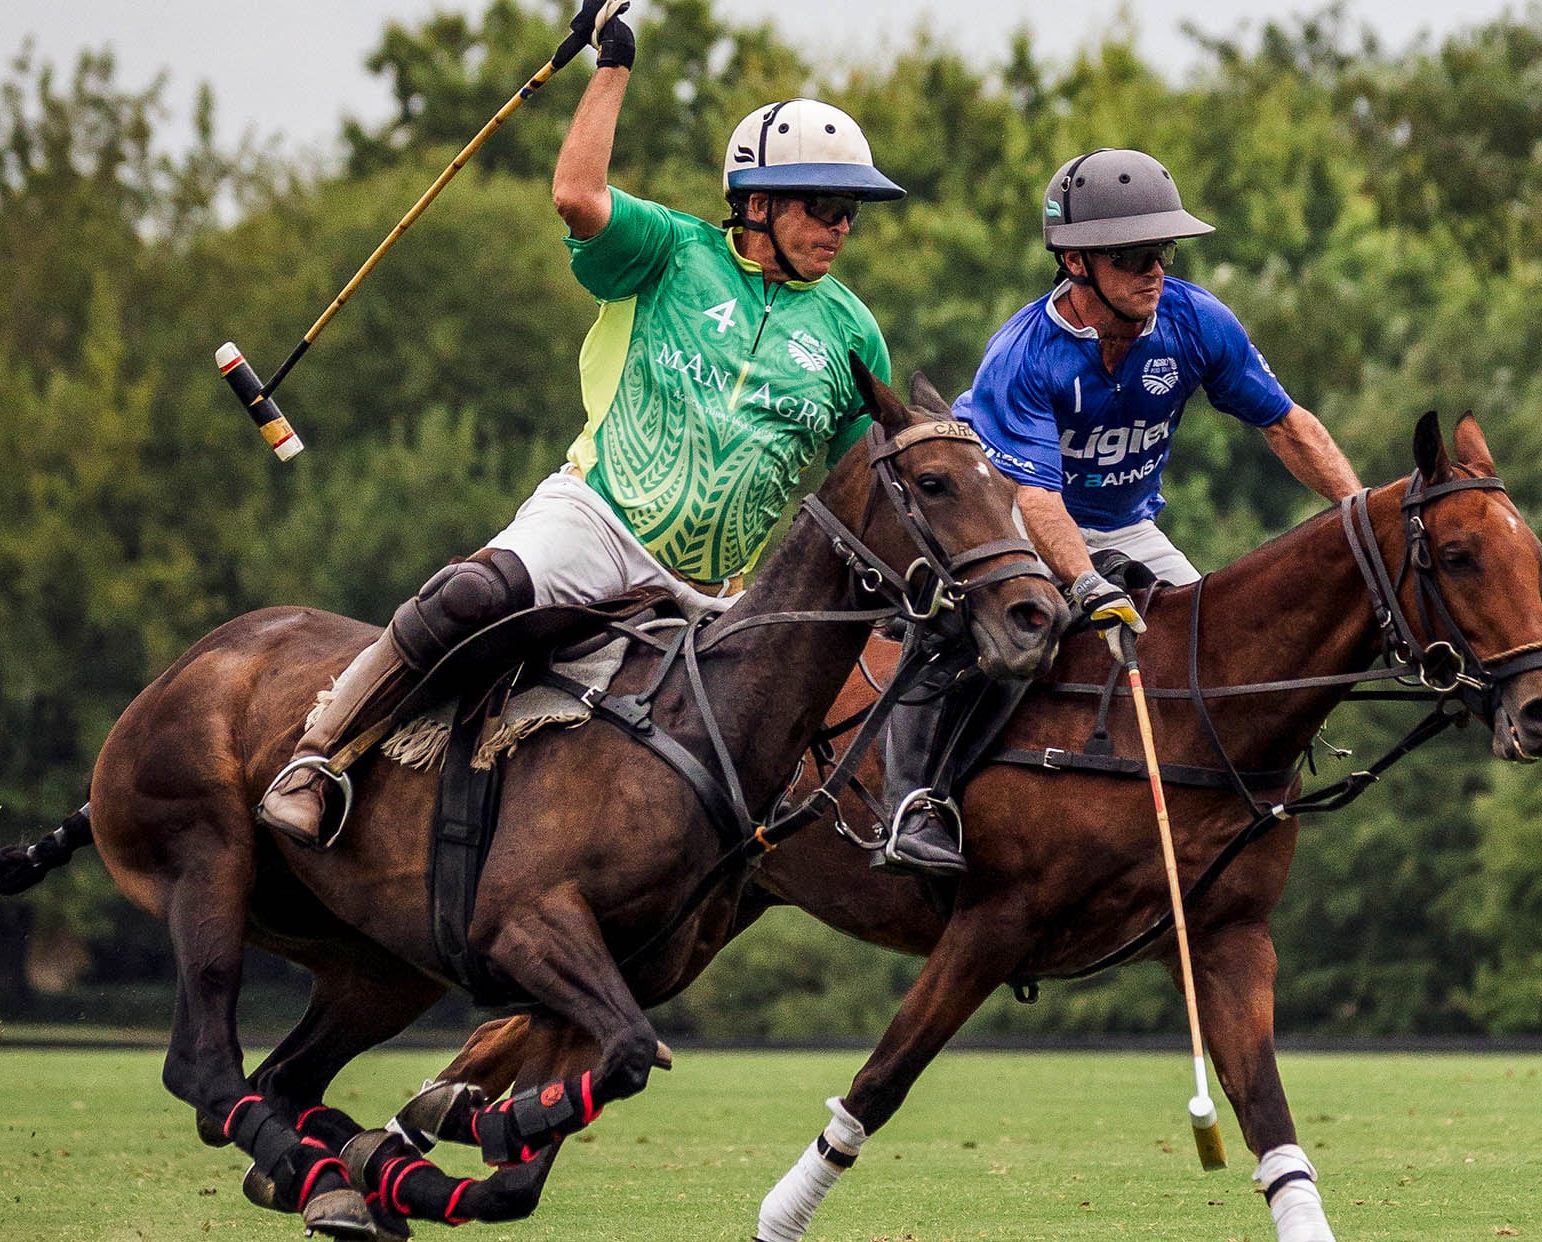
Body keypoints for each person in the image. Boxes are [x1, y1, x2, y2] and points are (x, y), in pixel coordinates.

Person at [259, 0, 906, 848]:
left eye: (851, 212)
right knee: (472, 592)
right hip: (599, 521)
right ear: (763, 200)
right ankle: (320, 755)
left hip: (715, 598)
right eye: (828, 207)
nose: (844, 227)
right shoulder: (674, 251)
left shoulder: (852, 330)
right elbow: (575, 194)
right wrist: (614, 68)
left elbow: (871, 479)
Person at [873, 148, 1362, 876]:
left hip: (1128, 519)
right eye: (1133, 256)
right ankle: (915, 801)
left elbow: (1286, 424)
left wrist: (1360, 517)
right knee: (1006, 637)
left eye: (1161, 251)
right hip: (1005, 512)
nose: (1155, 271)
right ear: (1076, 263)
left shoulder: (1195, 322)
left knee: (1212, 645)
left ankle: (1221, 811)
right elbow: (1036, 497)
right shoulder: (1024, 354)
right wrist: (1086, 583)